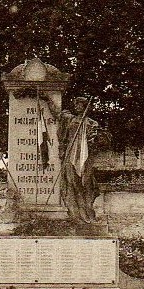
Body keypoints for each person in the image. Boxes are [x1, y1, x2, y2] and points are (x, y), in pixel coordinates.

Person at [45, 95, 100, 223]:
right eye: (75, 104)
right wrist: (47, 98)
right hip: (70, 156)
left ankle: (88, 212)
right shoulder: (69, 119)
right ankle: (76, 214)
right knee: (72, 184)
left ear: (85, 106)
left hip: (85, 158)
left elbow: (97, 141)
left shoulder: (92, 123)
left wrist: (93, 139)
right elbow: (56, 113)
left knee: (86, 184)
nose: (76, 106)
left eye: (79, 104)